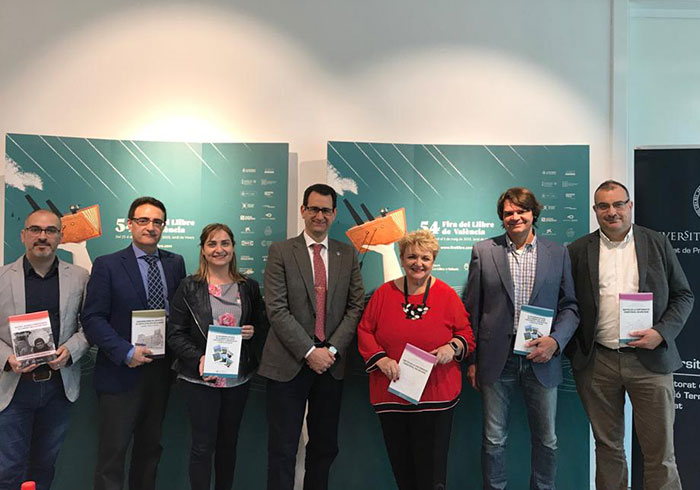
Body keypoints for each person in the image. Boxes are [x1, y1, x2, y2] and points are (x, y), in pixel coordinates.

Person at [566, 180, 693, 490]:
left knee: (660, 452)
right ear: (595, 210)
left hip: (650, 360)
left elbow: (683, 295)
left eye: (619, 204)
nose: (612, 212)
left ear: (630, 205)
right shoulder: (578, 250)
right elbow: (568, 303)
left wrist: (661, 333)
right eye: (604, 206)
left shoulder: (656, 242)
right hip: (598, 362)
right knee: (608, 448)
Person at [464, 187, 579, 490]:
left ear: (533, 214)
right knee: (493, 439)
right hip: (495, 359)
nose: (515, 217)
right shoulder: (483, 251)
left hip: (541, 357)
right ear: (501, 218)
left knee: (547, 440)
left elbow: (570, 306)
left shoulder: (558, 253)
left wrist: (556, 341)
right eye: (508, 213)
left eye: (521, 211)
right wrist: (472, 360)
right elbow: (472, 309)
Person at [260, 183, 364, 490]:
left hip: (331, 365)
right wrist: (309, 351)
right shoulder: (281, 251)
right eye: (314, 209)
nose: (320, 215)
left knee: (324, 447)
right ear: (303, 210)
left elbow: (355, 306)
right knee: (282, 448)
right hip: (288, 363)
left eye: (326, 210)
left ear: (334, 214)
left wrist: (330, 350)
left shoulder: (347, 253)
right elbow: (276, 308)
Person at [357, 229, 475, 490]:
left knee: (432, 475)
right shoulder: (382, 294)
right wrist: (381, 360)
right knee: (403, 468)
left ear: (433, 261)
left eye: (425, 258)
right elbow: (365, 331)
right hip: (392, 395)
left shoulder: (446, 294)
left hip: (436, 395)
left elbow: (466, 334)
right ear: (401, 258)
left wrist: (452, 347)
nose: (418, 263)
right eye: (412, 256)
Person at [82, 196, 186, 490]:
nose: (150, 227)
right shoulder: (107, 264)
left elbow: (181, 314)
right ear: (129, 224)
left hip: (160, 372)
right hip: (120, 372)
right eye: (143, 220)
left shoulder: (174, 263)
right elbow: (93, 318)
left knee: (150, 450)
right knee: (112, 454)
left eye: (157, 222)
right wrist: (125, 351)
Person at [168, 223, 268, 490]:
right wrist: (198, 358)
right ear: (202, 250)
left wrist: (253, 331)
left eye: (225, 243)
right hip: (199, 379)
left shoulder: (248, 287)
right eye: (212, 244)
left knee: (228, 444)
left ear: (233, 248)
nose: (219, 249)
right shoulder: (189, 287)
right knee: (202, 446)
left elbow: (263, 326)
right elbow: (175, 333)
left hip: (237, 379)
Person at [0, 209, 90, 490]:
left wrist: (71, 349)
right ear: (23, 235)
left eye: (50, 230)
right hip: (13, 388)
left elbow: (90, 326)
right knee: (8, 469)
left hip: (57, 388)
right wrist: (7, 358)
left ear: (61, 236)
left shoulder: (80, 277)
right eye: (35, 230)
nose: (43, 236)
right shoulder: (1, 277)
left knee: (44, 465)